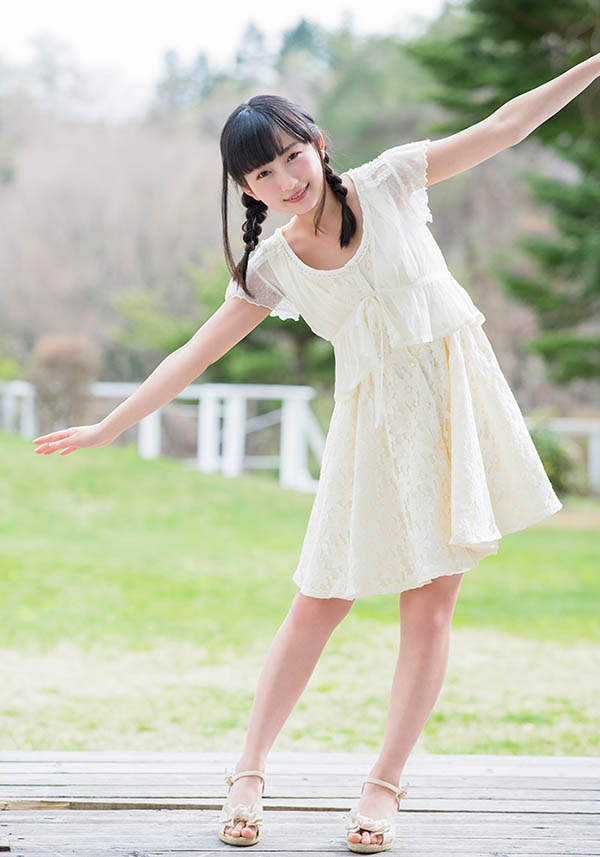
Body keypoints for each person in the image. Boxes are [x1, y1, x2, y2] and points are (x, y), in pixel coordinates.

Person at [32, 52, 600, 854]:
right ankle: (248, 770)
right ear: (248, 190)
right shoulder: (271, 266)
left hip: (455, 410)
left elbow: (506, 125)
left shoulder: (393, 181)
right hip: (372, 432)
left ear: (319, 143)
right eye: (263, 173)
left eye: (292, 155)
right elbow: (193, 353)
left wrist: (592, 65)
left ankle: (384, 784)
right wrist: (110, 425)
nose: (286, 178)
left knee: (429, 606)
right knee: (319, 598)